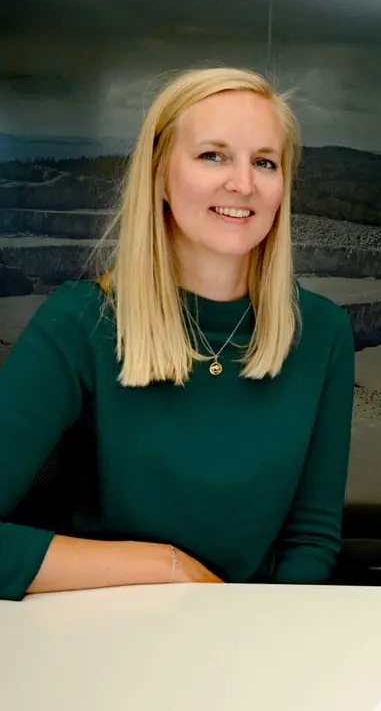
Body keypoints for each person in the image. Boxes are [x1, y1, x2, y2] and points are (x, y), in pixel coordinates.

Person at [0, 67, 356, 601]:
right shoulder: (79, 322)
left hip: (251, 638)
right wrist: (165, 568)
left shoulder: (322, 331)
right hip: (103, 629)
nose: (243, 183)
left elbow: (311, 541)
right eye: (213, 155)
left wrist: (262, 636)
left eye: (265, 161)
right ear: (160, 174)